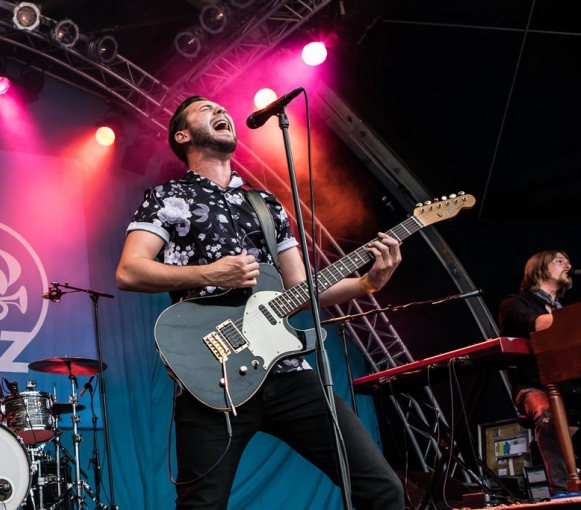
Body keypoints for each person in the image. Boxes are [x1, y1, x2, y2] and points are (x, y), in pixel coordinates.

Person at [116, 96, 405, 509]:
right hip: (213, 378)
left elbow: (301, 290)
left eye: (222, 108)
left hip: (287, 370)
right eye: (206, 110)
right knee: (202, 505)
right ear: (182, 135)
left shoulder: (266, 205)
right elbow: (130, 271)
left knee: (380, 488)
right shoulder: (168, 197)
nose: (221, 112)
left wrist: (366, 283)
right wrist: (210, 274)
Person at [499, 250, 577, 495]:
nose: (568, 265)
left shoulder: (563, 308)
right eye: (560, 261)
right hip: (532, 385)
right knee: (547, 415)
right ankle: (562, 490)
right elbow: (537, 323)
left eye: (568, 262)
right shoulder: (514, 302)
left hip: (569, 386)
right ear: (540, 269)